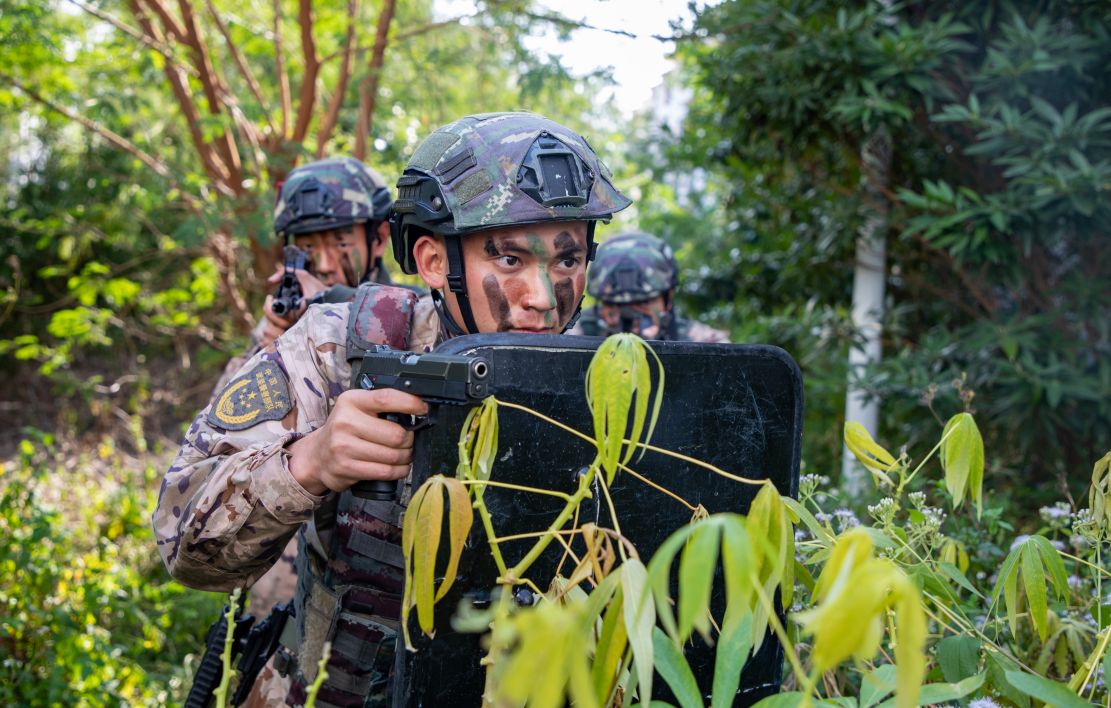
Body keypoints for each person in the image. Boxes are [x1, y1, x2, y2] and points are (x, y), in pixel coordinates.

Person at [154, 111, 631, 707]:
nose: (542, 296)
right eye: (509, 261)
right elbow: (185, 547)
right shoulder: (340, 347)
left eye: (566, 260)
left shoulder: (619, 382)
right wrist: (311, 463)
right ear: (434, 261)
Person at [218, 157, 397, 619]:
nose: (323, 261)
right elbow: (220, 446)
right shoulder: (282, 323)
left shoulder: (410, 316)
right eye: (307, 246)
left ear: (377, 239)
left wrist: (327, 310)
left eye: (339, 241)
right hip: (286, 573)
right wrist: (270, 343)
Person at [572, 231, 730, 342]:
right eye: (613, 304)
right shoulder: (575, 336)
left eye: (643, 303)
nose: (629, 315)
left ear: (667, 299)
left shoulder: (699, 341)